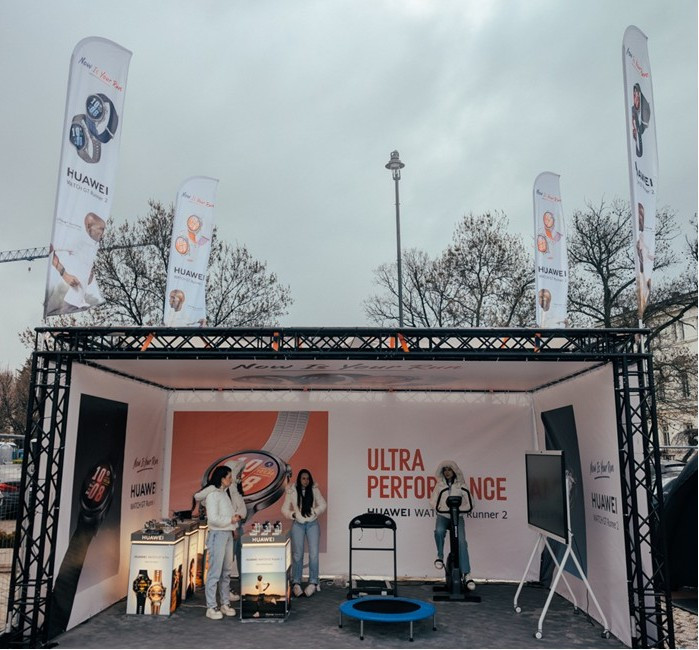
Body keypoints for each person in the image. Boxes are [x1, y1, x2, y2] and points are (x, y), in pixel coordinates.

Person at [194, 463, 246, 620]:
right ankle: (211, 606)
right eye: (229, 477)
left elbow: (224, 516)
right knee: (215, 572)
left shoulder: (223, 494)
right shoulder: (213, 495)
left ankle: (225, 603)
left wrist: (232, 524)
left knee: (226, 571)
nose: (231, 480)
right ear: (222, 479)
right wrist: (231, 520)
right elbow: (213, 519)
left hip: (227, 534)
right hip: (217, 535)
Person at [281, 468, 327, 597]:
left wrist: (314, 512)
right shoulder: (292, 490)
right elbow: (284, 509)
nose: (305, 481)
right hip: (298, 524)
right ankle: (296, 582)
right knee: (297, 554)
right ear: (299, 479)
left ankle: (313, 582)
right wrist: (293, 514)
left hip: (312, 524)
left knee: (314, 554)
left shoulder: (314, 489)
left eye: (307, 478)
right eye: (303, 478)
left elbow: (323, 504)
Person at [429, 460, 472, 585]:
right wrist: (441, 508)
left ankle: (466, 574)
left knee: (462, 542)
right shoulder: (439, 486)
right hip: (443, 516)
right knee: (439, 531)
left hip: (457, 516)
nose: (447, 472)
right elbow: (432, 502)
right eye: (445, 470)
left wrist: (459, 510)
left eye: (449, 470)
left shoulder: (461, 485)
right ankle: (440, 557)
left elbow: (471, 502)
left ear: (454, 471)